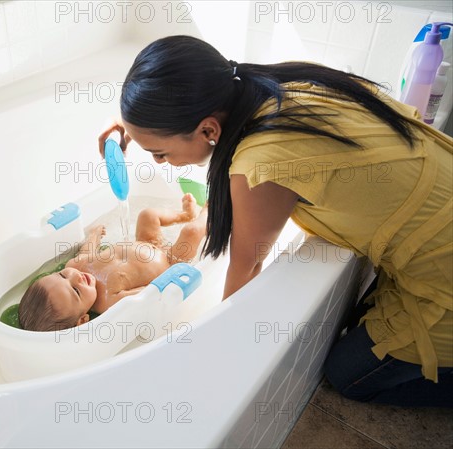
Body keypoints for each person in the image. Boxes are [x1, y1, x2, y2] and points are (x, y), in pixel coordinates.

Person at [97, 35, 452, 407]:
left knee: (348, 375)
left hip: (443, 266)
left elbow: (246, 270)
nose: (158, 163)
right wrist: (129, 125)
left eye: (159, 152)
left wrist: (214, 355)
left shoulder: (261, 167)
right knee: (363, 325)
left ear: (208, 130)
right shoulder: (277, 85)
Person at [19, 193, 207, 332]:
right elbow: (149, 292)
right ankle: (209, 210)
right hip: (170, 260)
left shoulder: (74, 267)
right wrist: (174, 276)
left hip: (146, 241)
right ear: (83, 320)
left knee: (147, 215)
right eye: (76, 291)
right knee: (191, 232)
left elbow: (87, 252)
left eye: (61, 275)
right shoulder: (108, 302)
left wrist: (93, 236)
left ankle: (185, 215)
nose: (75, 278)